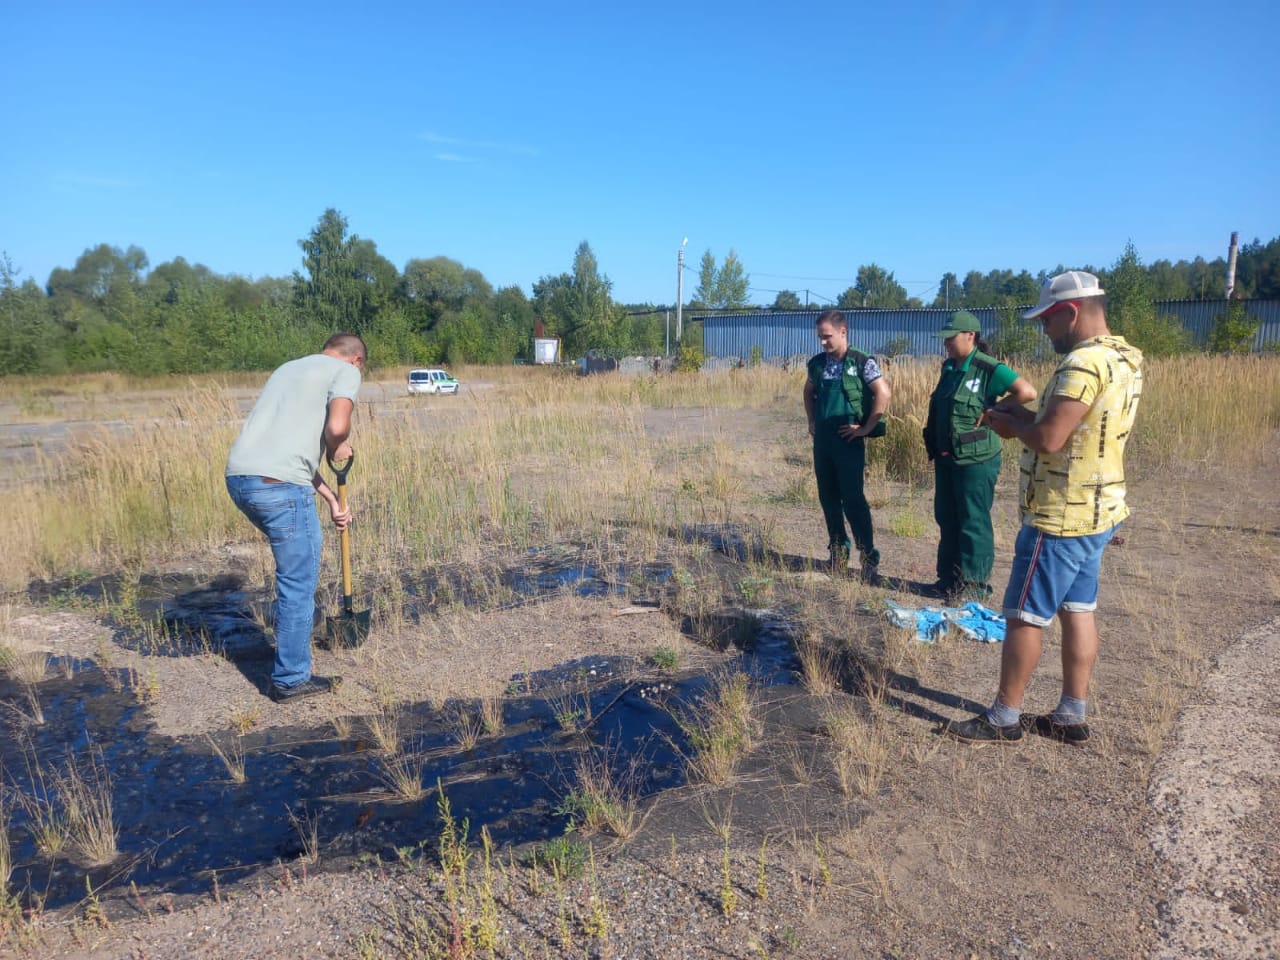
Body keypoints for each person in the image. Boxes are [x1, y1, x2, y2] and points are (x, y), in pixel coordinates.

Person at [945, 271, 1143, 745]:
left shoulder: (1081, 363)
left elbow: (1051, 439)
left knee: (1023, 615)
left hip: (1059, 516)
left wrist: (1013, 428)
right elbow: (1073, 426)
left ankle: (1003, 718)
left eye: (1047, 321)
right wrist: (1024, 416)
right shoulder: (1125, 357)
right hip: (1098, 510)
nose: (1044, 331)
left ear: (1070, 313)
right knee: (1078, 609)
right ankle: (1071, 714)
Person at [225, 333, 366, 703]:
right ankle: (291, 679)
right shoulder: (345, 371)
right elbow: (337, 428)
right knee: (298, 581)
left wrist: (331, 498)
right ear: (356, 359)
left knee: (294, 570)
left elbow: (288, 456)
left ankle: (296, 633)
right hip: (280, 488)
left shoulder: (288, 369)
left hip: (241, 480)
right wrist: (338, 446)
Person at [924, 310, 1037, 602]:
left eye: (951, 337)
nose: (946, 343)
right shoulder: (949, 368)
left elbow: (1027, 392)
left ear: (970, 336)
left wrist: (995, 410)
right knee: (947, 517)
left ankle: (975, 585)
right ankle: (948, 580)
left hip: (977, 458)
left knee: (973, 519)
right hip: (948, 455)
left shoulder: (988, 367)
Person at [804, 309, 891, 578]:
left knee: (853, 499)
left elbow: (883, 392)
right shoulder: (817, 364)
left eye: (827, 336)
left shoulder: (861, 361)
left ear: (843, 332)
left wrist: (865, 428)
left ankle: (868, 557)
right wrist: (811, 420)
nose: (823, 342)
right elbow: (808, 392)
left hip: (847, 441)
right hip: (823, 442)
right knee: (828, 497)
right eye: (820, 337)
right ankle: (838, 552)